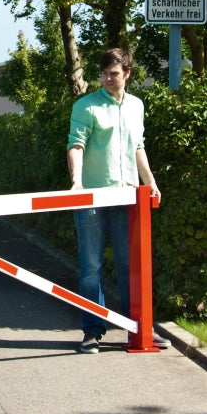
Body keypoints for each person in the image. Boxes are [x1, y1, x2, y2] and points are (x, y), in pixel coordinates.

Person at [67, 48, 171, 354]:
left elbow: (138, 147)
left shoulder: (137, 106)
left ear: (127, 73)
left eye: (114, 73)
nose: (108, 79)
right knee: (91, 267)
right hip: (93, 198)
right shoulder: (86, 107)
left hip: (129, 198)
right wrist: (77, 183)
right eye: (104, 73)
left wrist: (150, 182)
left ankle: (140, 330)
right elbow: (76, 145)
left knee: (132, 266)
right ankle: (92, 330)